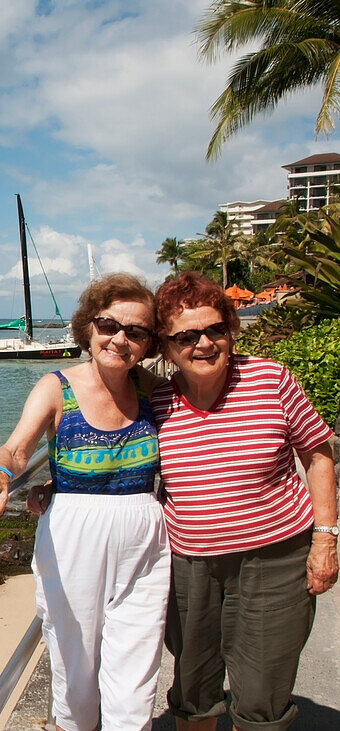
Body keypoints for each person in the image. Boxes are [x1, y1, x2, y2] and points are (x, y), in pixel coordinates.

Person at [0, 273, 169, 731]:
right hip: (74, 534)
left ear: (149, 342)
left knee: (137, 665)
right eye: (108, 325)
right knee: (74, 662)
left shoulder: (153, 390)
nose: (119, 339)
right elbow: (18, 448)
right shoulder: (57, 387)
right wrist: (0, 474)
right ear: (87, 327)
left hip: (146, 536)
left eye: (135, 331)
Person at [150, 271, 338, 731]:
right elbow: (105, 447)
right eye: (186, 335)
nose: (205, 343)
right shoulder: (154, 400)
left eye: (216, 329)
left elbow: (317, 455)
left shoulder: (271, 379)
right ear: (165, 346)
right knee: (193, 689)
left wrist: (326, 539)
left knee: (263, 692)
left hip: (275, 558)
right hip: (188, 564)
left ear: (231, 330)